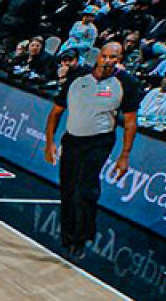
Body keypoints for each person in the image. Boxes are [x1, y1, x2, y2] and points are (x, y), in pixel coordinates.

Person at [44, 41, 139, 262]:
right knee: (68, 190)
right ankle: (67, 238)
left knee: (84, 189)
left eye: (113, 57)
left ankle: (81, 239)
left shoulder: (126, 83)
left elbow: (130, 123)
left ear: (120, 60)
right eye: (104, 56)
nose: (107, 61)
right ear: (98, 56)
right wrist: (49, 143)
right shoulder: (78, 78)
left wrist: (124, 155)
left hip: (99, 140)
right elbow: (56, 111)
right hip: (72, 139)